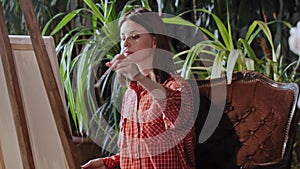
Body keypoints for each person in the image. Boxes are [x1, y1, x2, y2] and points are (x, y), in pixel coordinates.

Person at [81, 7, 196, 169]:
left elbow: (171, 107)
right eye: (122, 38)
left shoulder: (178, 86)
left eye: (134, 37)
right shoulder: (130, 95)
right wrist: (107, 163)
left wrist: (140, 78)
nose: (126, 44)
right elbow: (140, 154)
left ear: (154, 41)